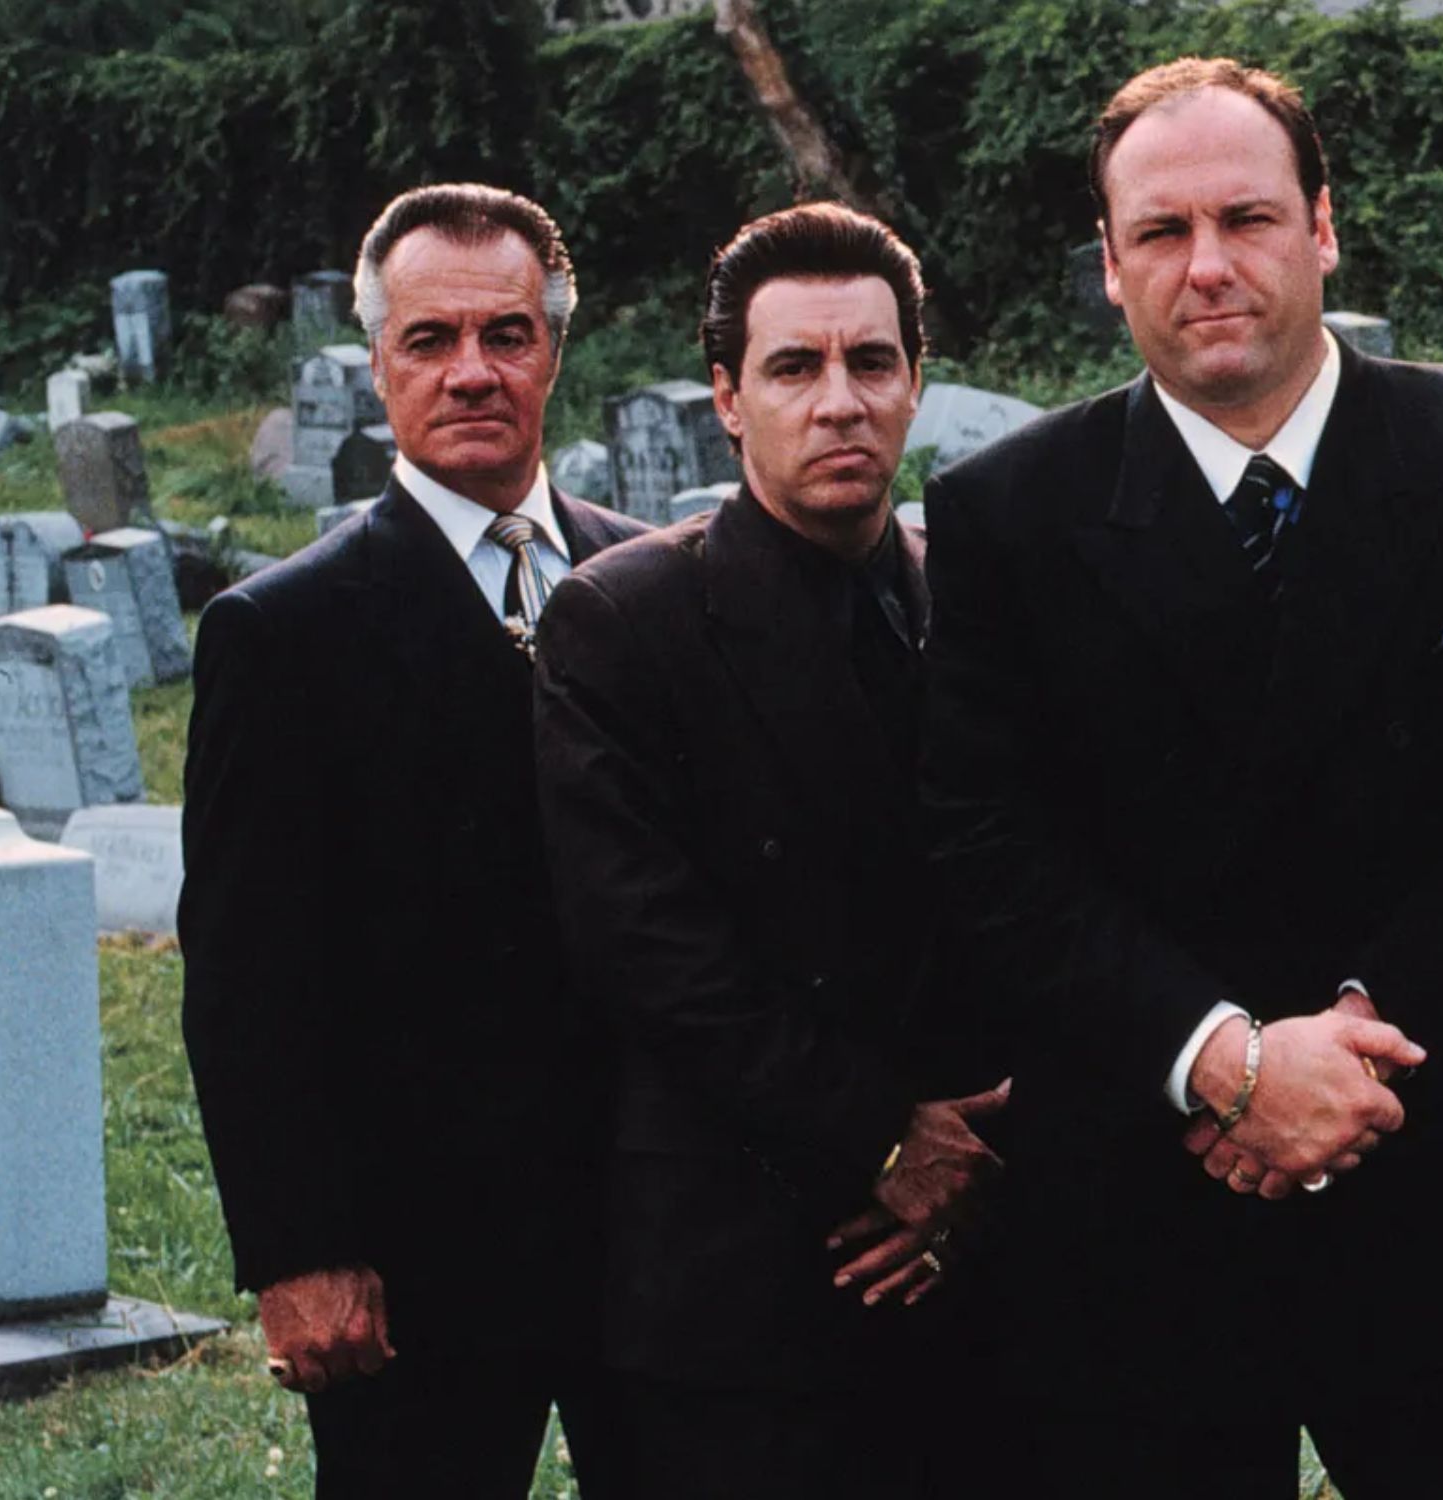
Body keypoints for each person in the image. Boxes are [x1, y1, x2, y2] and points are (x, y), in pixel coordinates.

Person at [917, 55, 1443, 1498]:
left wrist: (1359, 1030)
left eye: (1246, 218)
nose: (1209, 266)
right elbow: (988, 841)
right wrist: (1226, 1060)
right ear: (1109, 271)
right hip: (1142, 1203)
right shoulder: (1005, 513)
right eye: (1161, 235)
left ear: (1323, 227)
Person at [529, 202, 1006, 1496]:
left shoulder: (978, 597)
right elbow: (647, 945)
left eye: (873, 363)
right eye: (796, 368)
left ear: (917, 385)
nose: (839, 401)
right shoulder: (627, 619)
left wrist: (970, 1164)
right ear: (729, 399)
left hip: (982, 1249)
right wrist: (884, 1146)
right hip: (745, 1277)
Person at [179, 183, 646, 1497]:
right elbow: (245, 969)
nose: (473, 372)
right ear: (377, 360)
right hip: (415, 1252)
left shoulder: (655, 579)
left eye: (507, 335)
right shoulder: (286, 633)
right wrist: (296, 1247)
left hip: (654, 1224)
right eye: (430, 341)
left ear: (555, 348)